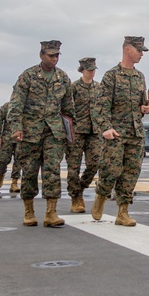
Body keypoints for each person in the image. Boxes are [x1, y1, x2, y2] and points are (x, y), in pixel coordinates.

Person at [8, 40, 74, 227]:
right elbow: (16, 103)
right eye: (50, 55)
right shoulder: (28, 76)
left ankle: (51, 213)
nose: (54, 59)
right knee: (29, 170)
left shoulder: (62, 77)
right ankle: (29, 211)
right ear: (41, 55)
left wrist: (70, 132)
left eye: (56, 55)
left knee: (52, 170)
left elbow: (68, 108)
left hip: (54, 132)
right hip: (30, 131)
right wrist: (16, 127)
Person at [92, 37, 149, 226]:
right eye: (139, 50)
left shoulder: (139, 76)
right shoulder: (111, 76)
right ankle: (101, 195)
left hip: (135, 133)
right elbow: (100, 106)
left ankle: (123, 212)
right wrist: (106, 128)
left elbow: (141, 104)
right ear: (127, 50)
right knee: (112, 170)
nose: (142, 54)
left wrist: (145, 109)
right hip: (116, 133)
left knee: (131, 173)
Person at [67, 57, 102, 213]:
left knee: (95, 163)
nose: (92, 73)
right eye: (89, 70)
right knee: (73, 167)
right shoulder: (73, 87)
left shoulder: (99, 88)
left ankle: (80, 187)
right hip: (77, 132)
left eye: (93, 70)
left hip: (94, 131)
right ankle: (75, 198)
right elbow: (66, 109)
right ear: (82, 70)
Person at [0, 101, 21, 192]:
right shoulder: (7, 106)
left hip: (21, 138)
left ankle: (14, 182)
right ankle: (1, 173)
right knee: (3, 159)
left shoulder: (27, 107)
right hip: (7, 138)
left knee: (19, 160)